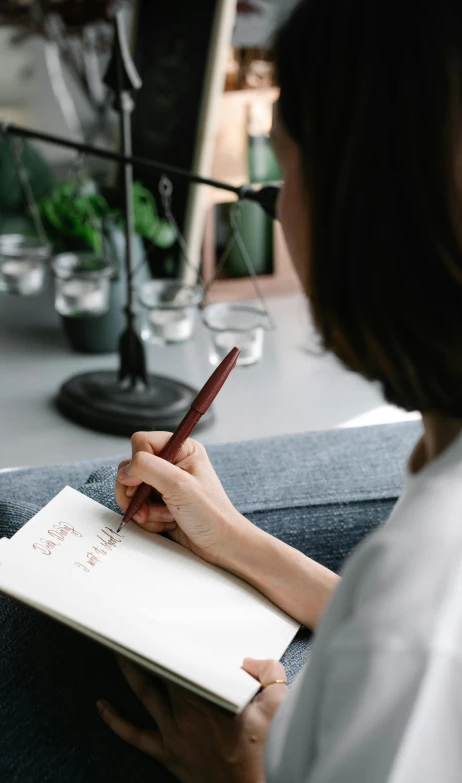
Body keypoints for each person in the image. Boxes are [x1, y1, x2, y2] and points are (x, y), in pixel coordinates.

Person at [94, 0, 462, 780]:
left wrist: (243, 773)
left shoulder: (421, 604)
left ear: (368, 213)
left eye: (284, 163)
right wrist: (232, 537)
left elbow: (412, 636)